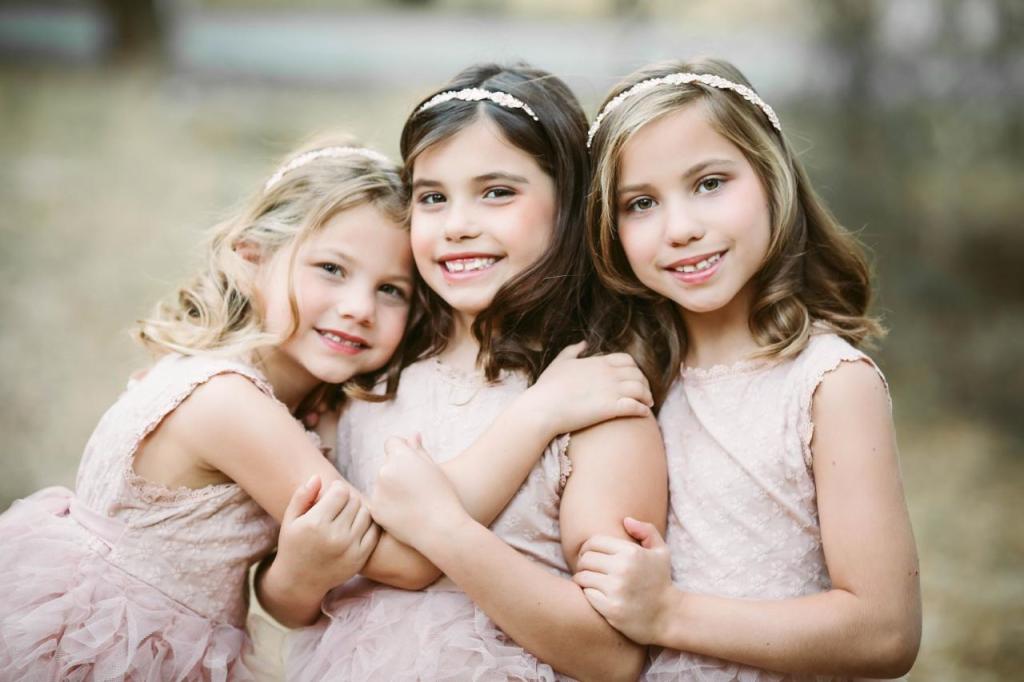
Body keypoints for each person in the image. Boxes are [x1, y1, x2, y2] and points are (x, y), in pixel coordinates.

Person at [264, 63, 668, 682]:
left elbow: (613, 655)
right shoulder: (371, 373)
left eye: (497, 192)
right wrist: (294, 573)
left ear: (569, 205)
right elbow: (293, 598)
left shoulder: (593, 395)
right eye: (432, 197)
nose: (457, 225)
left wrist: (450, 535)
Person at [0, 136, 417, 680]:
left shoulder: (229, 379)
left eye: (392, 290)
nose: (360, 307)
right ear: (251, 260)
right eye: (332, 269)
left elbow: (292, 582)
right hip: (118, 652)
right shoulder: (230, 404)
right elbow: (399, 562)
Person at [574, 57, 922, 680]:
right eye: (641, 202)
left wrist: (670, 615)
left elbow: (886, 632)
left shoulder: (829, 382)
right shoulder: (628, 378)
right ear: (610, 227)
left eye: (710, 183)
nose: (681, 229)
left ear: (771, 178)